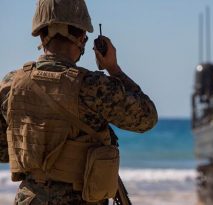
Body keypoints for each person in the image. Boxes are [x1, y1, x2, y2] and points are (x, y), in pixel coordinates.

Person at [0, 0, 158, 204]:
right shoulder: (94, 86)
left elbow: (3, 151)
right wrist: (114, 69)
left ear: (41, 35)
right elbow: (146, 118)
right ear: (82, 37)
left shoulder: (11, 84)